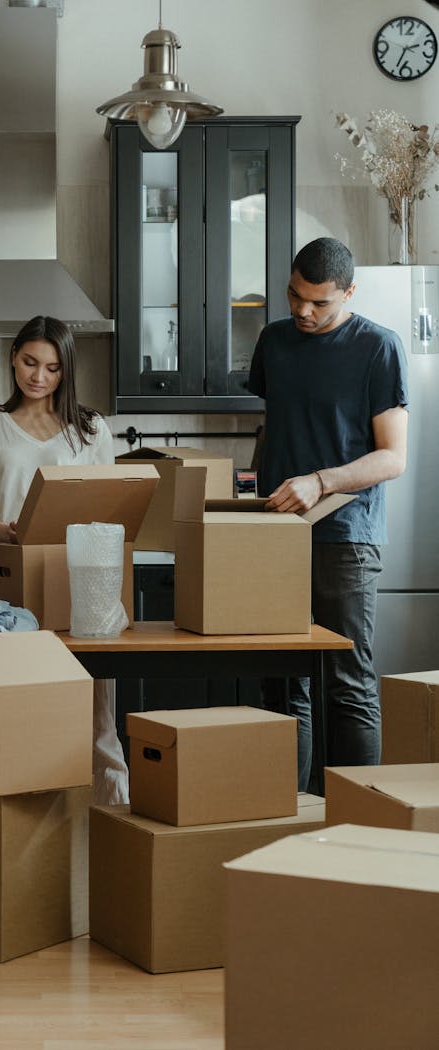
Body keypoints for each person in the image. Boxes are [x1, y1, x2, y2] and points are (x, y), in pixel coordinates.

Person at [248, 237, 409, 790]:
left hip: (346, 539)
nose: (303, 311)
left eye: (319, 302)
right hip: (274, 537)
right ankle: (286, 819)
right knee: (281, 684)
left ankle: (354, 825)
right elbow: (276, 425)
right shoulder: (273, 340)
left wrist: (321, 482)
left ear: (349, 293)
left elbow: (393, 456)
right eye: (295, 295)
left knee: (348, 684)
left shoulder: (378, 348)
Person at [0, 314, 129, 805]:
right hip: (11, 580)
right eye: (30, 363)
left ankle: (110, 812)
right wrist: (12, 531)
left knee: (96, 708)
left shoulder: (92, 429)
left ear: (66, 371)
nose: (38, 377)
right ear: (12, 357)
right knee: (21, 701)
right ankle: (23, 820)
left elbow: (109, 508)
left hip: (82, 584)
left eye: (52, 368)